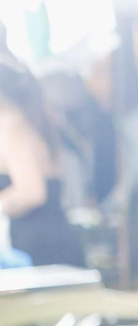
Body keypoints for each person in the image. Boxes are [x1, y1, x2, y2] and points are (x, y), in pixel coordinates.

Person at [0, 61, 87, 268]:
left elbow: (32, 192)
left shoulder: (13, 129)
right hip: (53, 237)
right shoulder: (35, 123)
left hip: (39, 245)